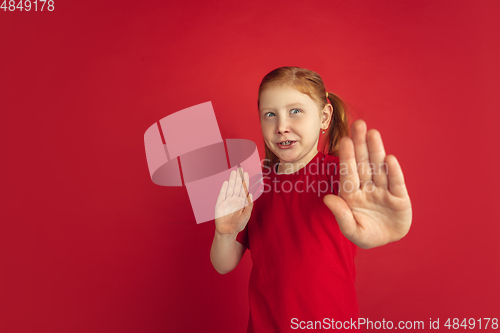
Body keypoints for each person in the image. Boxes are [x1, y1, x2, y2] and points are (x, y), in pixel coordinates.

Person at [210, 66, 412, 332]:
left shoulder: (342, 174)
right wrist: (224, 234)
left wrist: (392, 223)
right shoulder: (253, 184)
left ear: (324, 117)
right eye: (270, 115)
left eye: (295, 111)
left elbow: (374, 213)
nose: (281, 127)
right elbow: (224, 265)